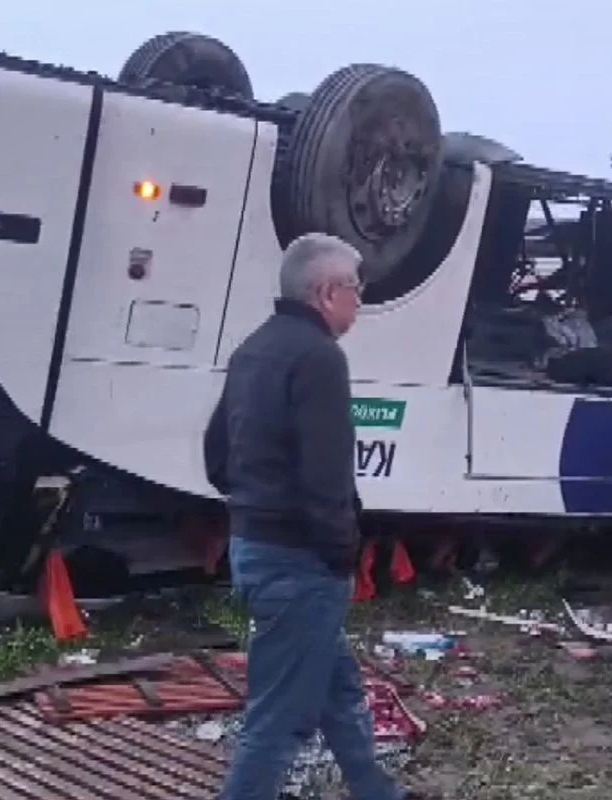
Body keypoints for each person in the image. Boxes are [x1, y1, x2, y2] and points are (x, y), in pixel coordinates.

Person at [203, 233, 416, 800]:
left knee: (338, 685)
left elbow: (215, 456)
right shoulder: (320, 357)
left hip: (254, 546)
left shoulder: (254, 349)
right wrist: (343, 553)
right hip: (300, 563)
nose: (361, 299)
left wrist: (255, 502)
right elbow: (326, 476)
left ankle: (376, 790)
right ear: (326, 292)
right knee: (279, 717)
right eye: (356, 287)